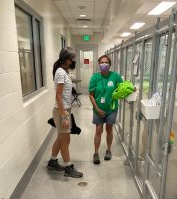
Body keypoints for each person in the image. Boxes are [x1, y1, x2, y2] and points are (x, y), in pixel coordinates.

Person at [47, 47, 83, 178]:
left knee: (60, 138)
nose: (74, 60)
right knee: (65, 141)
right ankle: (68, 167)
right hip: (61, 111)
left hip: (64, 109)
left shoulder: (64, 72)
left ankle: (52, 161)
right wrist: (64, 115)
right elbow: (58, 96)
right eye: (73, 58)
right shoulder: (61, 73)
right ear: (67, 59)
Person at [89, 55, 123, 164]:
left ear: (110, 64)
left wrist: (131, 89)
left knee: (109, 129)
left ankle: (108, 150)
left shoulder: (115, 76)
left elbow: (122, 89)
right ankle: (95, 153)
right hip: (97, 109)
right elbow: (91, 95)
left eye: (106, 62)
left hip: (111, 109)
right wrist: (97, 109)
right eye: (102, 62)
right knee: (98, 130)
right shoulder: (95, 78)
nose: (104, 64)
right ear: (99, 64)